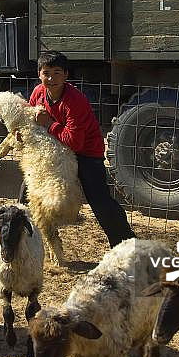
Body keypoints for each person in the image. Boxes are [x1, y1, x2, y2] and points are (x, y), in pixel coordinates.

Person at [24, 51, 136, 248]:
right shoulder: (38, 93)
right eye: (46, 73)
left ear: (66, 75)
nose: (51, 79)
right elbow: (30, 121)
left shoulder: (75, 101)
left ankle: (126, 245)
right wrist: (22, 133)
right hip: (54, 150)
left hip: (86, 153)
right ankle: (24, 240)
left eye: (57, 73)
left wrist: (48, 123)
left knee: (99, 201)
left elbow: (74, 142)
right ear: (39, 74)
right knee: (29, 189)